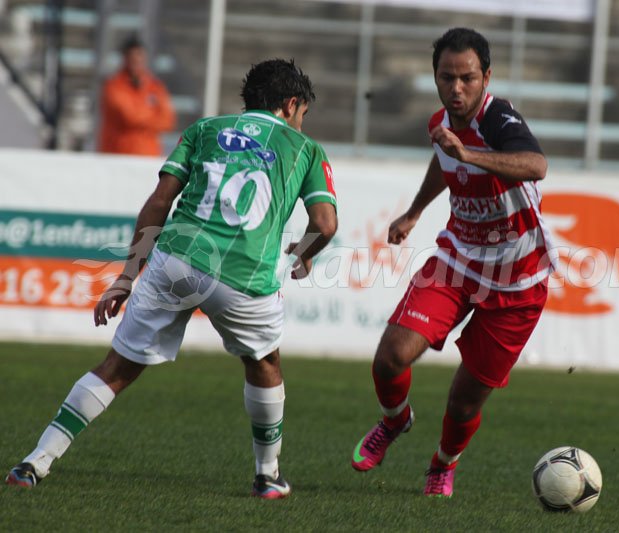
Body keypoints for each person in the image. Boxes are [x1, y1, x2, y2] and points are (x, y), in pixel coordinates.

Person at [6, 59, 338, 500]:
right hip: (244, 274)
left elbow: (161, 199)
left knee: (118, 367)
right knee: (264, 364)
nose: (301, 122)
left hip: (176, 260)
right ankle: (267, 475)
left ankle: (35, 461)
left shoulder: (204, 129)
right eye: (302, 114)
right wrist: (301, 255)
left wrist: (127, 276)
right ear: (291, 104)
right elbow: (326, 224)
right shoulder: (304, 149)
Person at [350, 28, 557, 498]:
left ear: (486, 76)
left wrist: (469, 153)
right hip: (457, 262)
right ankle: (395, 420)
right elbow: (444, 163)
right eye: (447, 78)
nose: (457, 88)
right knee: (389, 359)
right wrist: (415, 211)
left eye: (467, 77)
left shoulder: (498, 118)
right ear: (435, 77)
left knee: (464, 402)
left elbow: (536, 165)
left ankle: (442, 464)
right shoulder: (440, 123)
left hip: (518, 282)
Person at [98, 35, 175, 155]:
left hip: (147, 155)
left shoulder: (155, 86)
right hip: (118, 154)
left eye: (139, 56)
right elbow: (129, 116)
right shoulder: (114, 86)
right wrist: (152, 114)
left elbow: (167, 120)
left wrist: (141, 114)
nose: (137, 61)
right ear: (125, 58)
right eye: (132, 57)